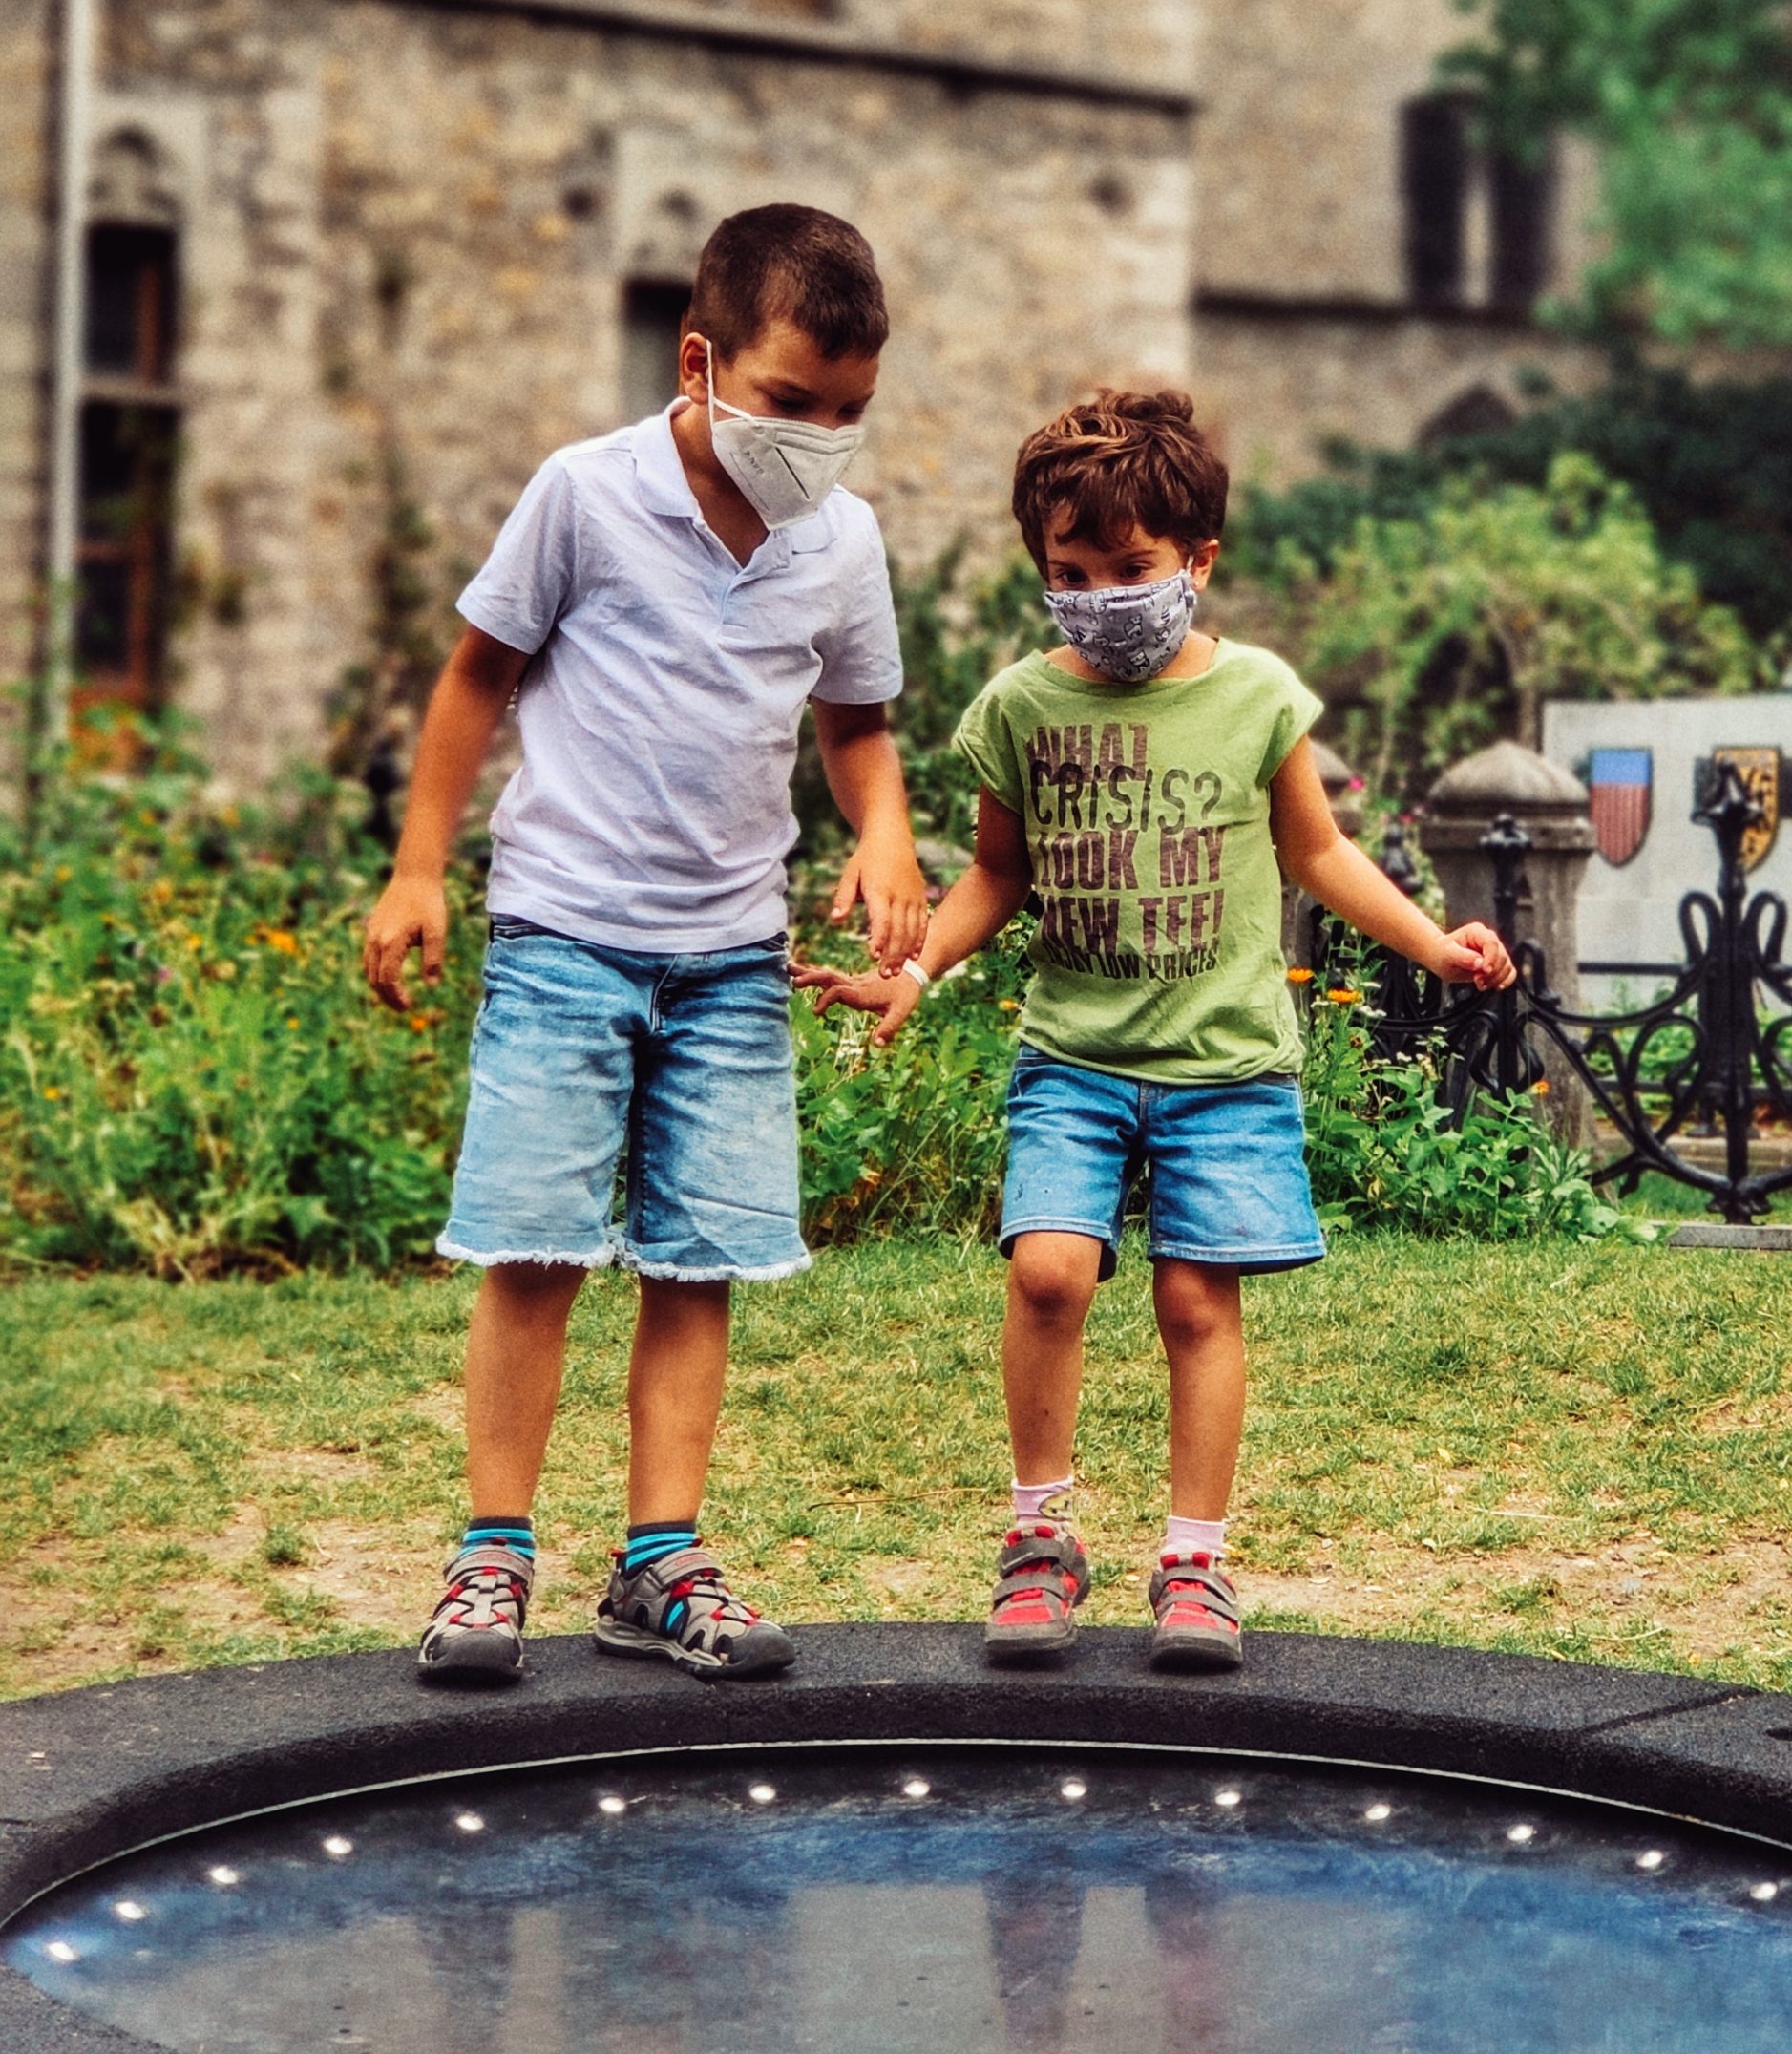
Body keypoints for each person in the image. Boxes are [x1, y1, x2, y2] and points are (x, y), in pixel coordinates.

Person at [806, 388, 1513, 1670]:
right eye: (1068, 573)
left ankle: (1195, 1560)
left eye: (1129, 569)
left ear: (1197, 561)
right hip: (1073, 1055)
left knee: (1197, 1302)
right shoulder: (1022, 707)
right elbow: (996, 879)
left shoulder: (1257, 697)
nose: (1099, 594)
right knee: (1047, 1272)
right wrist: (914, 972)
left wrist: (1431, 939)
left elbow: (1320, 854)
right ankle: (1039, 1539)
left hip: (1225, 1066)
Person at [363, 204, 929, 1685]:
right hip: (566, 932)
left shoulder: (842, 538)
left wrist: (883, 832)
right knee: (536, 1248)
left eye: (850, 414)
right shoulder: (585, 493)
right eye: (793, 404)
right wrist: (420, 868)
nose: (819, 439)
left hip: (732, 955)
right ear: (701, 360)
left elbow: (857, 728)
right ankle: (492, 1555)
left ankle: (660, 1561)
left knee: (701, 1260)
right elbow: (477, 672)